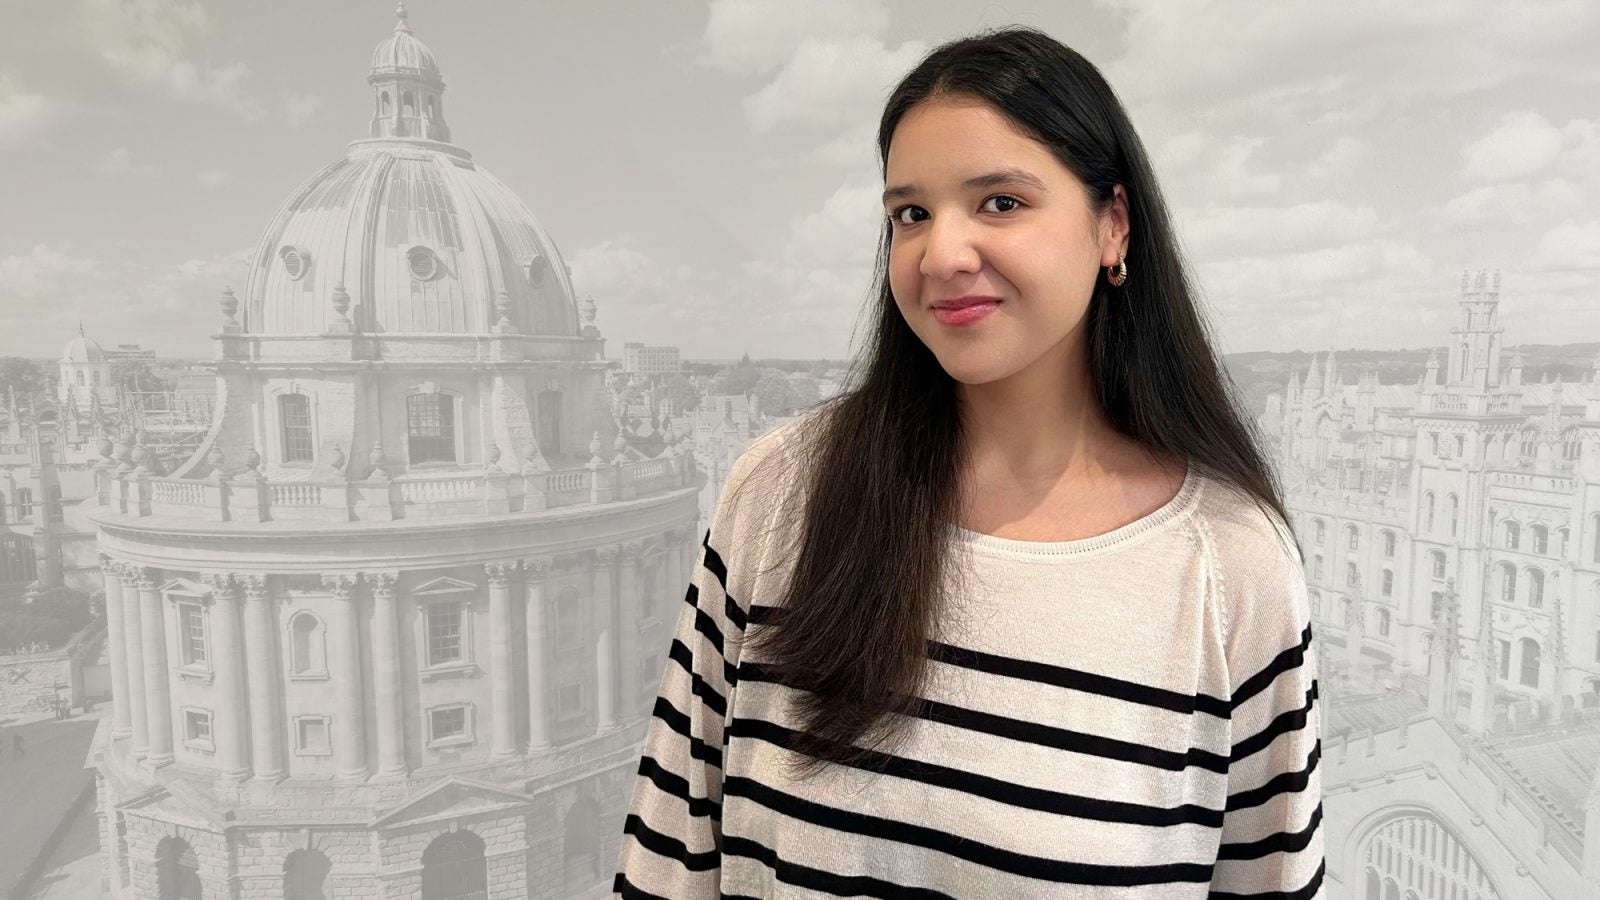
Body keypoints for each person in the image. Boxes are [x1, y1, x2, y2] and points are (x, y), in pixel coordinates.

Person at [613, 26, 1323, 899]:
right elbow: (671, 851)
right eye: (909, 213)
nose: (941, 254)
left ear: (1113, 224)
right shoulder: (780, 491)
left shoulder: (1231, 567)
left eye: (999, 203)